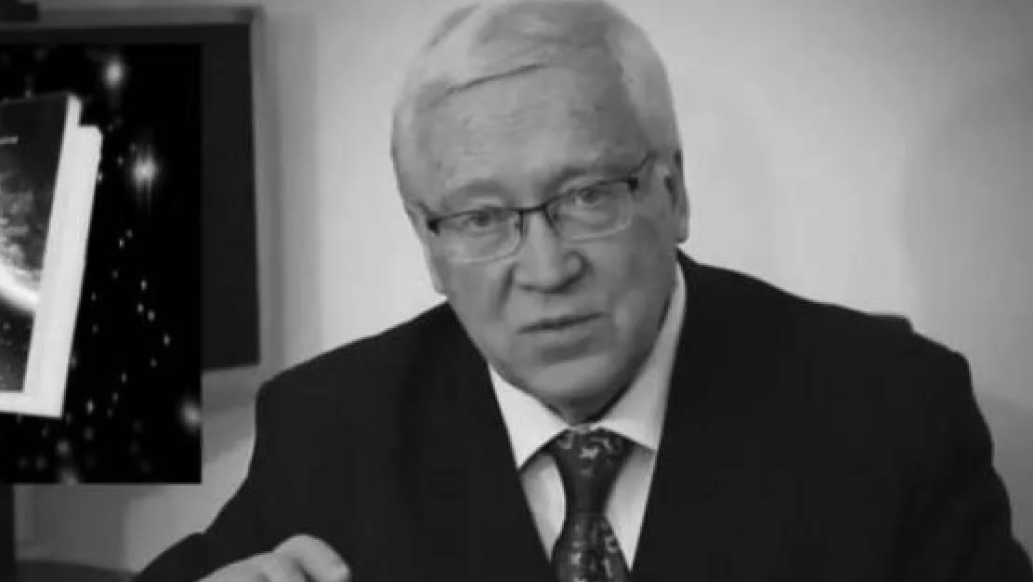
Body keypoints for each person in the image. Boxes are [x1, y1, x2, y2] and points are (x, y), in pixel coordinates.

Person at [136, 1, 1033, 581]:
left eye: (588, 196)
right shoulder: (329, 429)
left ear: (672, 192)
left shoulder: (890, 410)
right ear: (427, 243)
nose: (545, 268)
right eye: (480, 217)